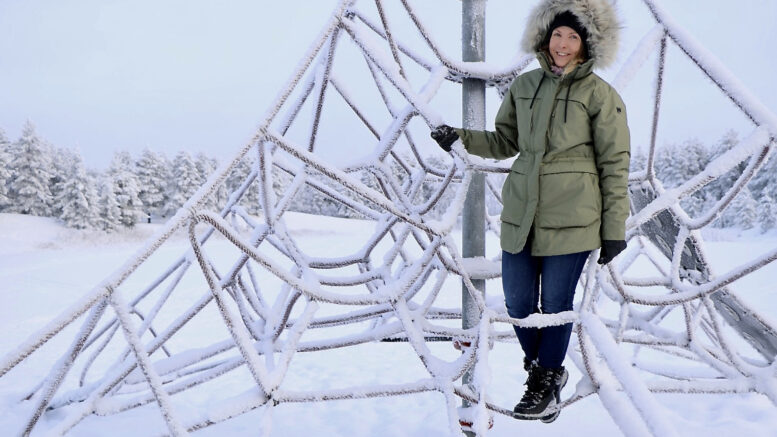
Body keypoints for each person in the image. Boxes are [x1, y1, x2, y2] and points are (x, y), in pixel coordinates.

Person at [430, 0, 630, 423]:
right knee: (519, 303)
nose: (562, 44)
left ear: (587, 44)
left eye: (573, 37)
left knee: (557, 303)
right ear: (545, 35)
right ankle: (545, 376)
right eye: (557, 34)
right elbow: (505, 142)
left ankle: (543, 381)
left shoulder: (600, 95)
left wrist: (614, 228)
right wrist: (459, 138)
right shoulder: (525, 86)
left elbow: (615, 164)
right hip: (523, 212)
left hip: (575, 216)